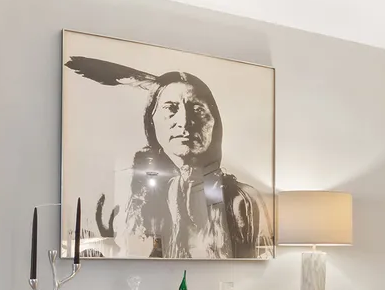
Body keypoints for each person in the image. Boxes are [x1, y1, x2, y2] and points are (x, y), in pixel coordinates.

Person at [116, 71, 274, 258]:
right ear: (151, 120)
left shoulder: (245, 200)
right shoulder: (131, 193)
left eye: (198, 109)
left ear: (215, 122)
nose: (184, 122)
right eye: (170, 108)